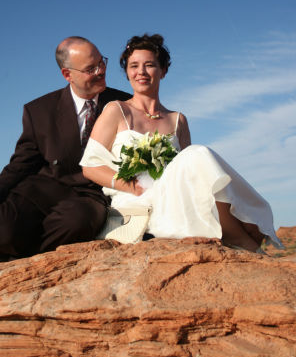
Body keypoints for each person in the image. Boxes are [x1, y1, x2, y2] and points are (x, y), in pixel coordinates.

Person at [80, 34, 283, 253]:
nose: (141, 72)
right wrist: (128, 186)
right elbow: (90, 167)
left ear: (163, 70)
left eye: (150, 65)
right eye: (134, 66)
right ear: (127, 72)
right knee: (198, 153)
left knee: (196, 157)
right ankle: (239, 232)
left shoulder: (178, 120)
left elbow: (195, 176)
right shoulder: (116, 110)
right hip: (137, 202)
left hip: (175, 201)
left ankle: (237, 232)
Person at [0, 36, 130, 272]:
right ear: (67, 74)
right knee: (0, 228)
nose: (101, 71)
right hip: (43, 188)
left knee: (76, 223)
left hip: (90, 195)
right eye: (90, 68)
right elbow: (20, 164)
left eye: (101, 62)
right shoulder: (39, 110)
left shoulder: (125, 105)